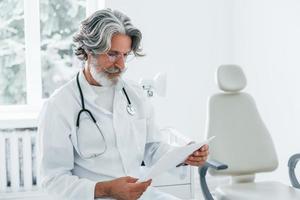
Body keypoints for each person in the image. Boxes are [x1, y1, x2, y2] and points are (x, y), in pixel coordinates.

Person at [38, 9, 209, 200]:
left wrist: (183, 156)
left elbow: (152, 148)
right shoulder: (59, 105)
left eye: (125, 55)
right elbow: (52, 180)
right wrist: (107, 189)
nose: (121, 65)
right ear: (88, 51)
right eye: (112, 54)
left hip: (139, 196)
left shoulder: (134, 94)